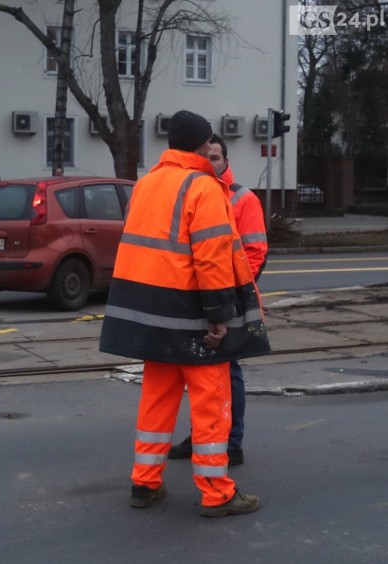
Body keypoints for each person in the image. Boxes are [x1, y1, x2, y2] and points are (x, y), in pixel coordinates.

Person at [98, 110, 271, 517]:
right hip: (189, 315)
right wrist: (218, 316)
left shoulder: (147, 183)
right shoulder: (205, 188)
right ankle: (217, 493)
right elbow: (211, 256)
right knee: (211, 402)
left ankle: (145, 482)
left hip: (149, 312)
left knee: (156, 401)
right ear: (201, 144)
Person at [168, 133, 268, 467]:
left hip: (229, 299)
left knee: (229, 370)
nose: (209, 162)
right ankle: (203, 435)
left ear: (226, 162)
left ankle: (232, 442)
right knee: (203, 374)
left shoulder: (242, 199)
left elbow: (254, 252)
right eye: (205, 156)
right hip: (200, 299)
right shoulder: (194, 192)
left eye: (216, 157)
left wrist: (233, 295)